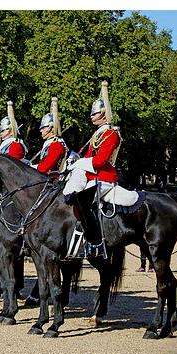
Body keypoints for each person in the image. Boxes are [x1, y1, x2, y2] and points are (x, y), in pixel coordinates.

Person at [63, 81, 122, 258]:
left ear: (103, 115)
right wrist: (75, 163)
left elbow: (100, 161)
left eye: (94, 113)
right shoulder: (97, 134)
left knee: (85, 203)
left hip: (105, 178)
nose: (91, 116)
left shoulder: (111, 134)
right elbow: (89, 157)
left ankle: (96, 243)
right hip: (92, 176)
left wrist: (79, 164)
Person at [35, 110, 68, 178]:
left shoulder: (56, 145)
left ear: (52, 128)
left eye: (43, 128)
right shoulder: (51, 143)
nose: (41, 130)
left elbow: (44, 168)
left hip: (52, 180)